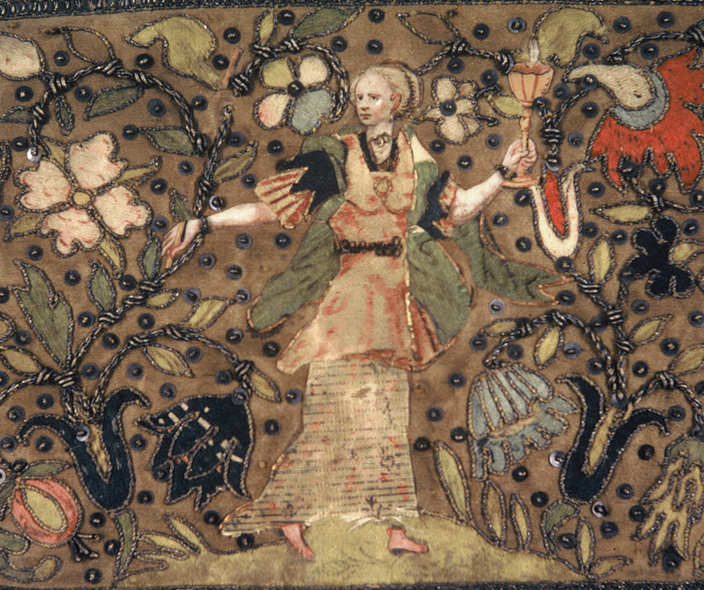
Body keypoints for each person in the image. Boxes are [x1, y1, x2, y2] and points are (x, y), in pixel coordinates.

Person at [161, 62, 546, 559]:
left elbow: (457, 209)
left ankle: (388, 525)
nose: (363, 105)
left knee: (386, 413)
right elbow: (272, 210)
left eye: (373, 97)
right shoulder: (335, 156)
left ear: (396, 102)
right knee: (331, 410)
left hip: (396, 297)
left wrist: (502, 171)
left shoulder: (416, 157)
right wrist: (204, 223)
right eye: (359, 96)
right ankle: (288, 511)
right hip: (350, 296)